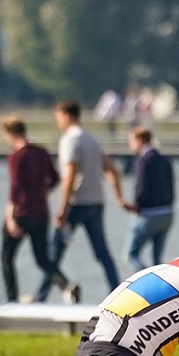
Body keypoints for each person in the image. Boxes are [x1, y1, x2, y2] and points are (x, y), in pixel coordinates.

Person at [45, 99, 122, 296]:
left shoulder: (70, 140)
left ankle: (40, 295)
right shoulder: (91, 140)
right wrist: (118, 196)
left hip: (76, 204)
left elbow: (69, 175)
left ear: (67, 116)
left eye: (59, 118)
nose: (58, 122)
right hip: (96, 202)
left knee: (55, 251)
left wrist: (62, 208)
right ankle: (116, 291)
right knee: (102, 252)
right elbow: (111, 169)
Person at [0, 115, 71, 303]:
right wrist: (41, 193)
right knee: (42, 258)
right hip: (41, 212)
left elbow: (15, 189)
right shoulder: (41, 153)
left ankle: (11, 298)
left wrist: (10, 218)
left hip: (21, 212)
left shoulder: (16, 157)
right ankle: (66, 285)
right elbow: (55, 178)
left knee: (7, 257)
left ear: (10, 133)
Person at [123, 126, 176, 268]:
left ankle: (146, 284)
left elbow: (141, 186)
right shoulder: (164, 159)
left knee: (131, 255)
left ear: (139, 140)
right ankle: (163, 287)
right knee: (157, 260)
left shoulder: (142, 160)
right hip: (167, 213)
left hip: (149, 214)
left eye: (131, 141)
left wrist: (136, 206)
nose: (130, 145)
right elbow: (171, 187)